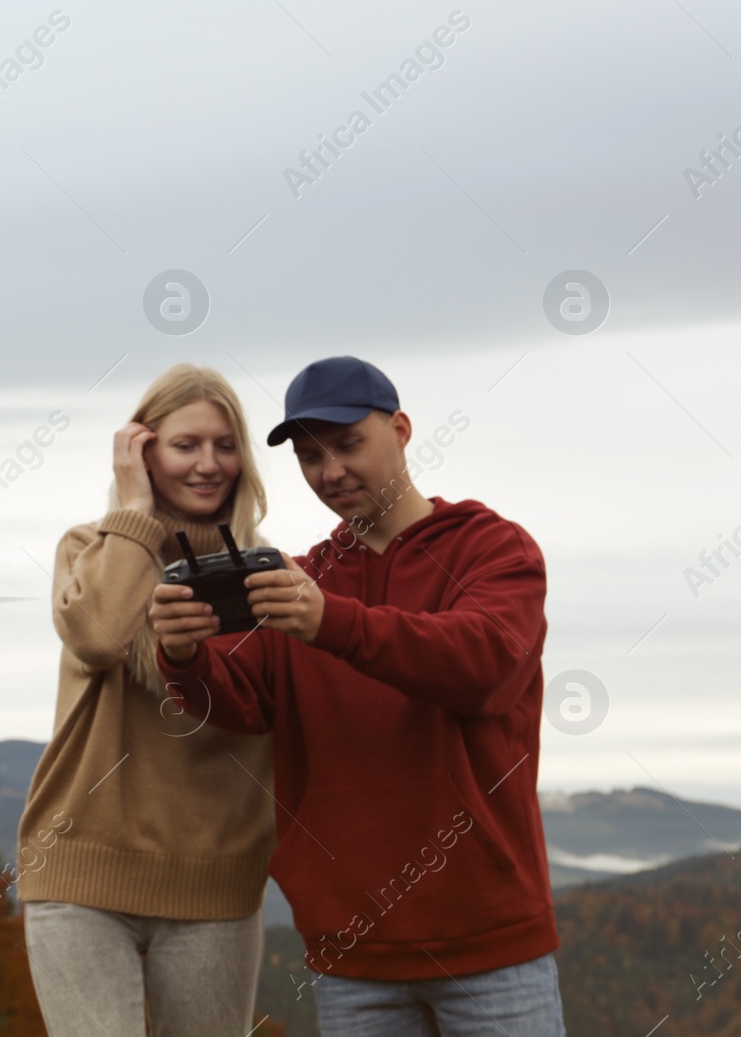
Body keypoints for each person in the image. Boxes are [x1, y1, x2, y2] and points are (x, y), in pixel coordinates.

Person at [150, 355, 566, 1036]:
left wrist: (330, 622)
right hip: (351, 956)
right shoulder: (304, 578)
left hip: (491, 946)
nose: (331, 471)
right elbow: (241, 698)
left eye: (348, 444)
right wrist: (183, 654)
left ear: (401, 429)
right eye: (312, 457)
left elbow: (484, 662)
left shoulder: (493, 550)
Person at [17, 363, 277, 1036]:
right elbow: (101, 636)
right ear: (142, 450)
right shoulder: (89, 548)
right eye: (185, 444)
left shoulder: (270, 575)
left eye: (224, 445)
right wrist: (132, 511)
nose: (208, 463)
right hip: (81, 872)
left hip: (215, 881)